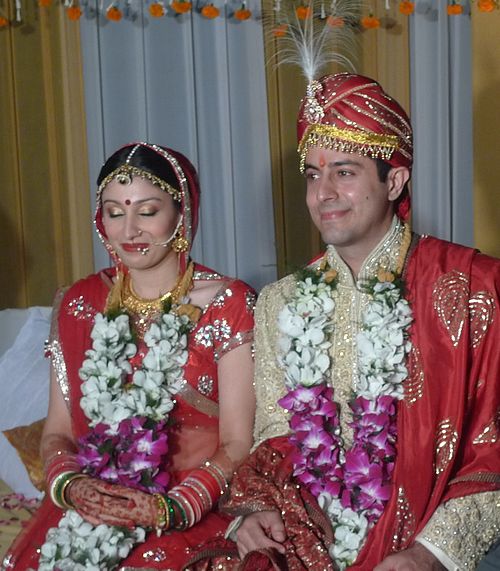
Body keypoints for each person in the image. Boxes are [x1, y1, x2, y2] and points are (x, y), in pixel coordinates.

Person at [219, 73, 500, 570]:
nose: (322, 193)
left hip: (434, 541)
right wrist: (258, 510)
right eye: (311, 175)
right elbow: (276, 433)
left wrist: (431, 554)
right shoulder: (280, 302)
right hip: (308, 536)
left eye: (344, 172)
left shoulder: (473, 287)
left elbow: (492, 449)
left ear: (394, 180)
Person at [2, 143, 256, 570]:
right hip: (91, 507)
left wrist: (170, 509)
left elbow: (238, 442)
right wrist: (70, 485)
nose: (129, 230)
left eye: (148, 211)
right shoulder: (81, 303)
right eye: (115, 213)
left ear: (182, 213)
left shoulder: (227, 303)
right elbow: (58, 430)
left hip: (192, 510)